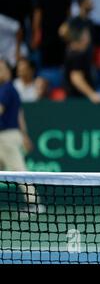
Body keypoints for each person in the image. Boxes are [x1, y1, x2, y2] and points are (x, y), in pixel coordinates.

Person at [0, 60, 44, 214]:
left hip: (5, 138)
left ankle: (34, 204)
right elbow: (20, 115)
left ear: (7, 72)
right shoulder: (12, 89)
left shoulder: (5, 89)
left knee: (19, 170)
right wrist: (24, 135)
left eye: (1, 69)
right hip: (11, 135)